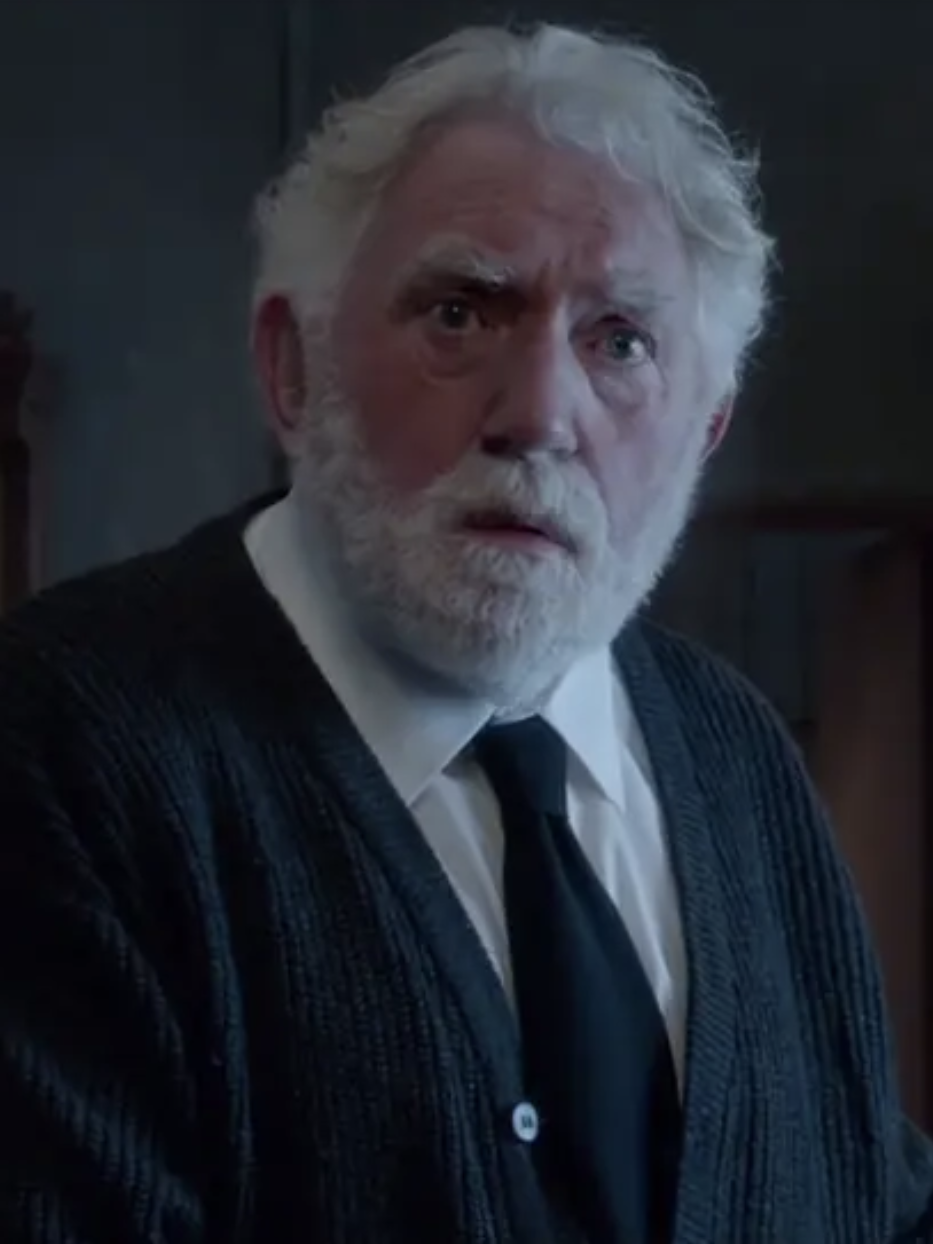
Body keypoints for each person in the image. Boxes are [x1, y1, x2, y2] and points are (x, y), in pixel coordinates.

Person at [0, 21, 930, 1244]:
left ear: (703, 430)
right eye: (461, 312)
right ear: (293, 368)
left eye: (621, 341)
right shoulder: (62, 748)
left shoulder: (738, 754)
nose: (539, 413)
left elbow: (876, 1199)